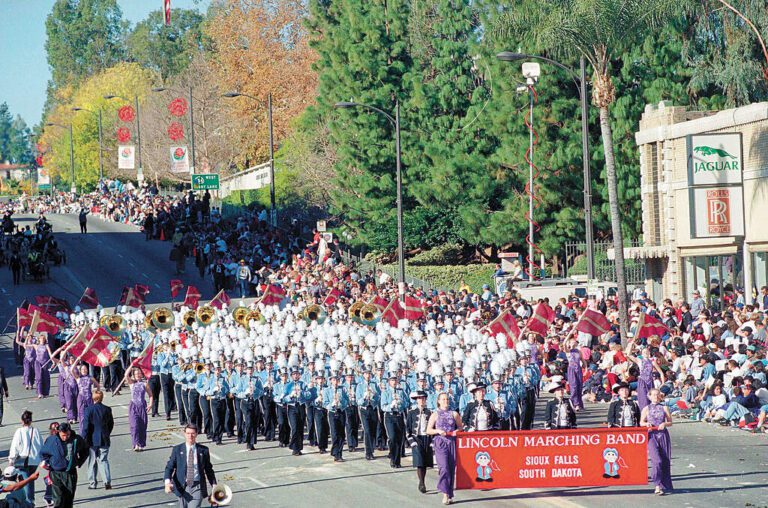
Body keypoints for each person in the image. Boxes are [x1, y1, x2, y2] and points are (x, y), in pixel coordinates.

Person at [164, 424, 217, 508]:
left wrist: (214, 486)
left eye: (193, 433)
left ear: (196, 434)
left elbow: (208, 469)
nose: (190, 436)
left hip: (197, 486)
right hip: (181, 486)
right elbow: (169, 467)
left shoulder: (203, 450)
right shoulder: (177, 449)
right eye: (188, 433)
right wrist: (167, 483)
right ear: (184, 433)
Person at [39, 422, 88, 508]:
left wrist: (79, 462)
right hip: (55, 473)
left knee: (68, 499)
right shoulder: (52, 440)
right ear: (58, 433)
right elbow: (43, 453)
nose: (65, 437)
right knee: (58, 500)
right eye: (63, 435)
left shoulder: (76, 439)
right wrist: (47, 462)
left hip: (70, 473)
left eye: (67, 435)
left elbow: (85, 450)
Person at [427, 392, 462, 506]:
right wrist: (437, 431)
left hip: (451, 442)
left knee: (451, 468)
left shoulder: (454, 414)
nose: (445, 401)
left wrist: (457, 431)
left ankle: (450, 493)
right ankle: (445, 493)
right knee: (444, 468)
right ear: (438, 401)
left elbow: (461, 427)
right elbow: (428, 430)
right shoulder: (435, 414)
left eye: (447, 399)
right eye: (443, 399)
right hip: (440, 442)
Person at [640, 388, 673, 495]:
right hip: (651, 436)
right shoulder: (646, 408)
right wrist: (646, 424)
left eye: (657, 395)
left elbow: (670, 422)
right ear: (649, 396)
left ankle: (663, 485)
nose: (655, 396)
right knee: (656, 461)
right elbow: (641, 422)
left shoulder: (664, 407)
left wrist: (665, 424)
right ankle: (657, 484)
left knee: (665, 460)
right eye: (653, 395)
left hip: (663, 435)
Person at [7, 411, 43, 507]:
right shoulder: (35, 430)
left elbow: (14, 446)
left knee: (24, 481)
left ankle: (28, 502)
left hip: (22, 461)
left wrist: (11, 460)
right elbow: (41, 445)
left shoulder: (19, 431)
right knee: (30, 480)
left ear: (22, 421)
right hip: (34, 460)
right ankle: (31, 500)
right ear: (31, 421)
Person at [79, 390, 113, 490]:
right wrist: (107, 433)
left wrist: (83, 438)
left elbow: (85, 426)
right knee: (103, 460)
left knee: (92, 461)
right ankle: (107, 481)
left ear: (93, 398)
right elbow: (111, 424)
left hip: (92, 439)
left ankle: (92, 483)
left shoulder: (88, 410)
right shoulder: (107, 409)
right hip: (104, 438)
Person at [405, 391, 433, 494]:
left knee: (424, 462)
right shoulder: (411, 412)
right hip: (416, 438)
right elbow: (407, 429)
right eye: (420, 398)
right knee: (419, 461)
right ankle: (421, 483)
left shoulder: (430, 412)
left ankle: (423, 480)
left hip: (426, 438)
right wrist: (411, 440)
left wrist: (432, 441)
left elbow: (433, 427)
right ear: (417, 400)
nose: (422, 400)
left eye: (423, 398)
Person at [125, 367, 151, 452]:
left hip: (142, 406)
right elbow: (126, 375)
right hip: (133, 406)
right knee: (134, 425)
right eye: (136, 374)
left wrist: (150, 404)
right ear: (133, 375)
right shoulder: (131, 383)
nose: (138, 375)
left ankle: (141, 444)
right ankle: (135, 444)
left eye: (139, 373)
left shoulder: (144, 384)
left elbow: (151, 395)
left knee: (142, 426)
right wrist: (131, 366)